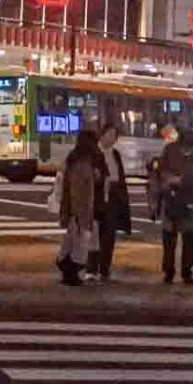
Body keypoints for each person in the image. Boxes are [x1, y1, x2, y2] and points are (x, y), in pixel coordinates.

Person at [153, 125, 193, 284]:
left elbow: (160, 171)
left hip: (177, 199)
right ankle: (184, 271)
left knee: (172, 237)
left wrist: (174, 179)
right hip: (187, 199)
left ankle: (171, 271)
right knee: (187, 238)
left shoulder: (172, 150)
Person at [56, 129, 108, 285]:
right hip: (81, 211)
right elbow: (81, 190)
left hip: (73, 210)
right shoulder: (84, 163)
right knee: (79, 245)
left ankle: (68, 273)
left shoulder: (74, 158)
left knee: (71, 243)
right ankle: (71, 273)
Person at [90, 118, 134, 280]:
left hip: (114, 196)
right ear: (101, 136)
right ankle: (92, 268)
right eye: (109, 135)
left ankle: (105, 268)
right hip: (99, 196)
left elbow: (120, 176)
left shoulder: (115, 154)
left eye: (114, 136)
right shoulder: (94, 153)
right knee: (95, 235)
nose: (112, 138)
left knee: (109, 235)